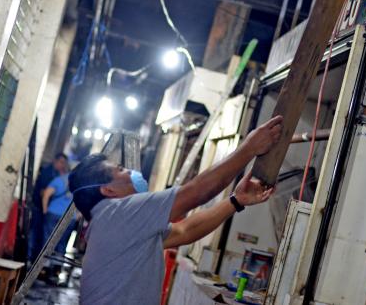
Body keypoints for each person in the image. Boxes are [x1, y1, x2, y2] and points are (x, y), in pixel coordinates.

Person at [68, 115, 284, 305]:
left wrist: (236, 201)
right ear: (107, 190)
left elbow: (185, 231)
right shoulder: (116, 213)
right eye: (121, 170)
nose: (131, 171)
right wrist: (251, 148)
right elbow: (198, 191)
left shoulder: (114, 222)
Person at [28, 152, 68, 261]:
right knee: (35, 233)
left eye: (64, 163)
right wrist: (45, 209)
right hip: (39, 208)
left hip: (46, 210)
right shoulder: (47, 173)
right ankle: (29, 257)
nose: (62, 165)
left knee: (43, 235)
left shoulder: (58, 175)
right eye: (61, 162)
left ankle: (36, 259)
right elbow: (43, 192)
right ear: (55, 161)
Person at [41, 167, 76, 280]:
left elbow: (46, 194)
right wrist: (78, 215)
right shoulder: (82, 185)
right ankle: (56, 268)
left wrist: (45, 209)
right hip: (69, 218)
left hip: (53, 213)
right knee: (62, 243)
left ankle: (43, 267)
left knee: (48, 240)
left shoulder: (60, 180)